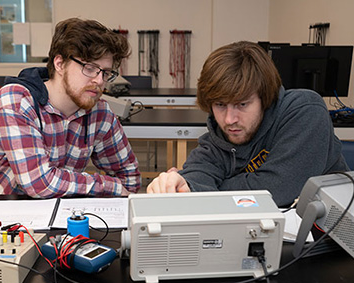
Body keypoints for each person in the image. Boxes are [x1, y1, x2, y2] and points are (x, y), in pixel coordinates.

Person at [147, 41, 349, 207]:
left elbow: (279, 190)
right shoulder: (216, 141)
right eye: (220, 105)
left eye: (242, 104)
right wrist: (184, 185)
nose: (229, 120)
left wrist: (210, 190)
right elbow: (197, 175)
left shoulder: (305, 111)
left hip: (332, 235)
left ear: (265, 97)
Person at [0, 18, 141, 198]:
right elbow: (39, 184)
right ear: (60, 64)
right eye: (89, 68)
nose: (99, 80)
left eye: (106, 72)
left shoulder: (100, 113)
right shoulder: (16, 101)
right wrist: (108, 186)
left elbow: (130, 180)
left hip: (54, 213)